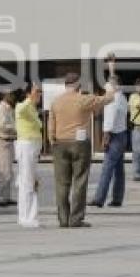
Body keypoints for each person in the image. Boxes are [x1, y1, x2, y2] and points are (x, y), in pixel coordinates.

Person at [47, 68, 115, 228]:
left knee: (61, 183)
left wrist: (52, 141)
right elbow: (109, 98)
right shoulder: (83, 99)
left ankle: (63, 219)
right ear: (77, 85)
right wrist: (110, 81)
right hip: (80, 144)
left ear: (65, 85)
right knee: (80, 181)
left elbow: (51, 125)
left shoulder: (56, 101)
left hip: (60, 143)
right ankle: (76, 219)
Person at [89, 76, 129, 208]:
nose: (107, 87)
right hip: (122, 134)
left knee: (107, 168)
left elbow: (109, 120)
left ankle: (99, 198)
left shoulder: (113, 99)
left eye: (109, 85)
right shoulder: (122, 97)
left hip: (114, 136)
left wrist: (105, 138)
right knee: (118, 169)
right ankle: (117, 198)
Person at [15, 83, 43, 227]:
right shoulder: (23, 106)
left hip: (33, 149)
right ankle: (26, 217)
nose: (39, 94)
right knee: (27, 182)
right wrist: (29, 98)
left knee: (31, 182)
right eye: (36, 91)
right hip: (26, 146)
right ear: (28, 93)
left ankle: (30, 215)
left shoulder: (32, 109)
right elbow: (20, 110)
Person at [0, 91, 17, 207]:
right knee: (3, 171)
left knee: (9, 172)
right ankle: (1, 198)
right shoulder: (1, 108)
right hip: (2, 141)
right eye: (10, 94)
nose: (13, 96)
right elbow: (2, 125)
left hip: (9, 141)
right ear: (5, 96)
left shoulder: (9, 108)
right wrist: (16, 128)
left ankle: (7, 196)